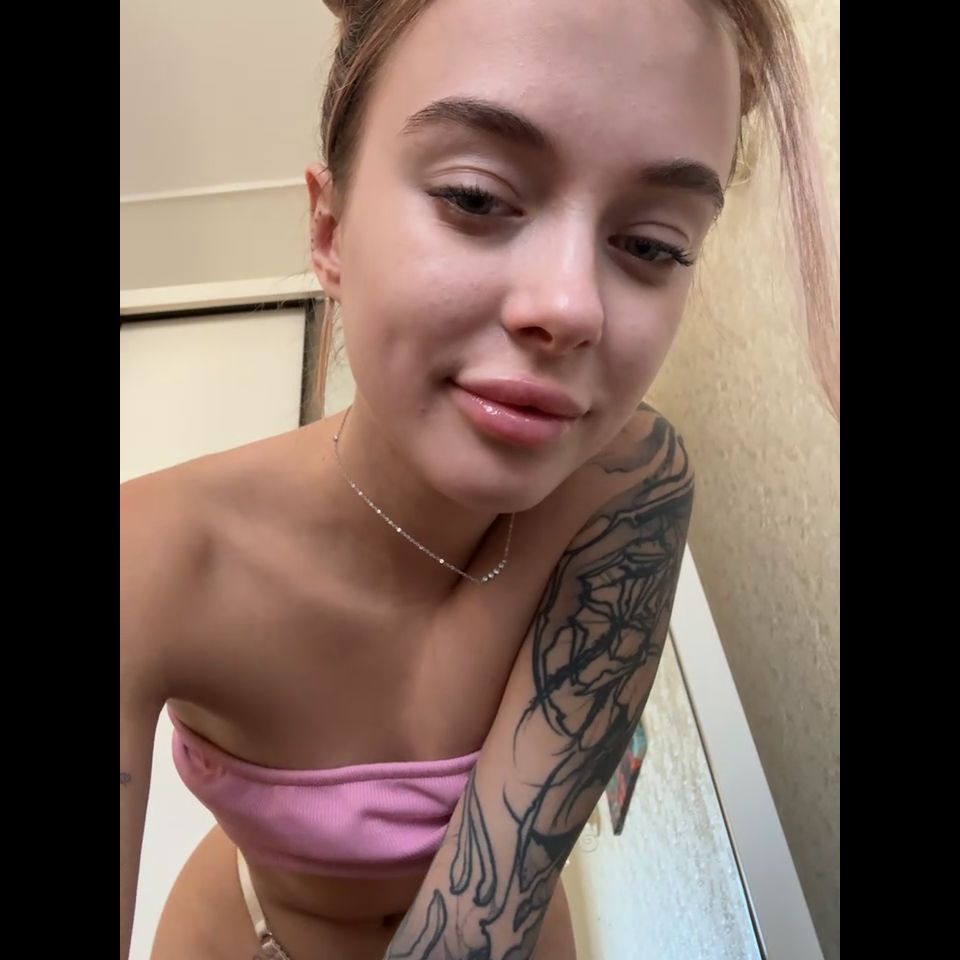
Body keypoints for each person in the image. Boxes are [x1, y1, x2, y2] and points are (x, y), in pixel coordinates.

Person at [120, 0, 838, 957]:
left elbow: (485, 911)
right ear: (330, 230)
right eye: (474, 196)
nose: (570, 308)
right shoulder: (147, 562)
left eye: (653, 245)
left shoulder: (631, 488)